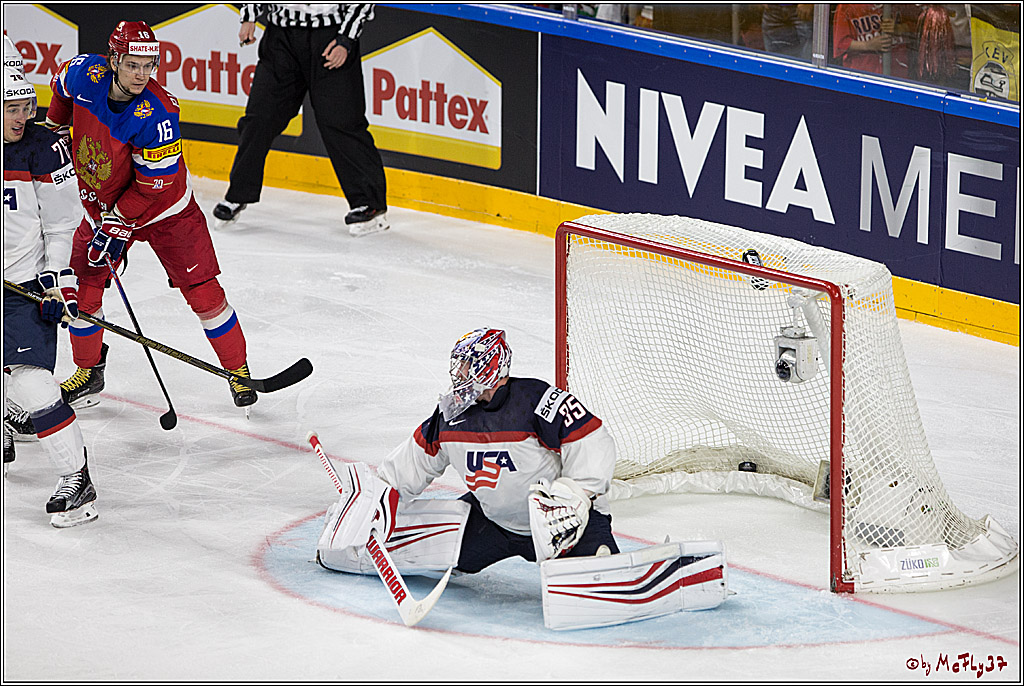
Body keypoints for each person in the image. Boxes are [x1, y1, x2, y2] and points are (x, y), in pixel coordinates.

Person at [44, 20, 258, 410]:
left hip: (166, 212)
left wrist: (118, 221)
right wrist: (55, 128)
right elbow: (59, 87)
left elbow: (152, 185)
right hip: (99, 204)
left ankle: (238, 371)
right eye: (132, 65)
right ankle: (89, 371)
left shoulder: (158, 114)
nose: (142, 75)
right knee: (84, 288)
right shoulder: (82, 73)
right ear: (113, 60)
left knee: (204, 293)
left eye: (150, 66)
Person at [318, 328, 620, 575]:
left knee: (600, 572)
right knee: (408, 549)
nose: (460, 372)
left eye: (468, 365)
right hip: (493, 522)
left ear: (491, 368)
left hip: (559, 522)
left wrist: (575, 493)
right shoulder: (450, 415)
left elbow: (593, 440)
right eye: (459, 364)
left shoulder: (534, 400)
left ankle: (598, 560)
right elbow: (412, 463)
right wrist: (371, 502)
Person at [3, 64, 98, 527]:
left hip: (21, 285)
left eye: (26, 107)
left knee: (32, 383)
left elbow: (62, 224)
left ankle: (76, 480)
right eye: (10, 108)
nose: (21, 117)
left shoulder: (42, 148)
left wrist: (58, 279)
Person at [212, 4, 389, 238]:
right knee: (259, 117)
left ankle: (370, 205)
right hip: (281, 39)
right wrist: (250, 16)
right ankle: (237, 195)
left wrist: (346, 39)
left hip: (331, 37)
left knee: (341, 122)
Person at [833, 4, 918, 78]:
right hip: (861, 75)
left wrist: (901, 28)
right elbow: (840, 44)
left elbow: (920, 28)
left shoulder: (903, 5)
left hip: (899, 75)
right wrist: (867, 45)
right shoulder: (847, 6)